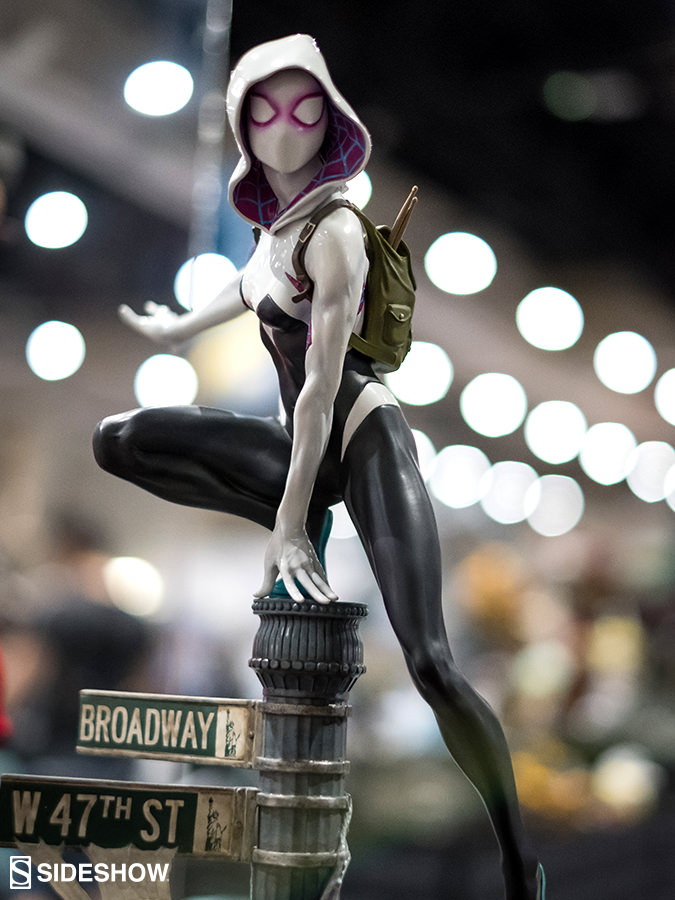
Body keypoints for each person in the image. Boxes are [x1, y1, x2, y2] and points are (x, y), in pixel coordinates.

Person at [93, 34, 544, 900]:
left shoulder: (335, 232)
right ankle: (287, 517)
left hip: (360, 435)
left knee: (431, 662)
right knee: (120, 439)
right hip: (293, 443)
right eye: (264, 112)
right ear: (243, 127)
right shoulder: (273, 234)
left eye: (305, 111)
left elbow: (320, 395)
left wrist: (292, 521)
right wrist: (174, 329)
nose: (284, 128)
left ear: (330, 124)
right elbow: (243, 288)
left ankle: (520, 860)